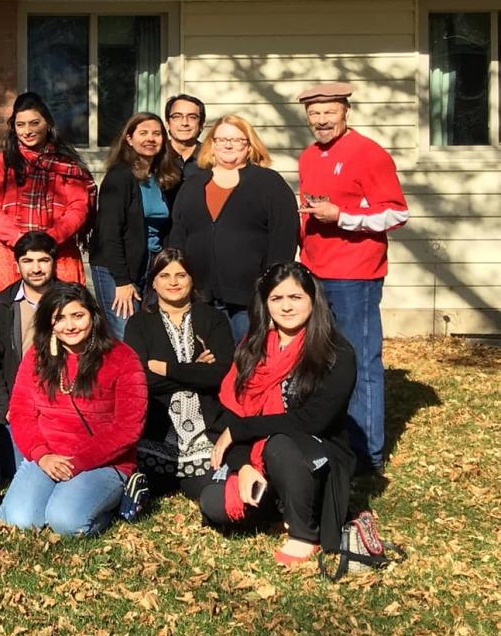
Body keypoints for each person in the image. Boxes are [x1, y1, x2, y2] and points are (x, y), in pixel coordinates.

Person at [199, 262, 357, 566]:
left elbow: (313, 420)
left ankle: (303, 532)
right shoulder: (252, 346)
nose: (286, 307)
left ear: (313, 299)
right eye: (276, 298)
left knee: (280, 441)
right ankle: (278, 503)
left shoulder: (336, 352)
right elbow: (235, 413)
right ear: (265, 303)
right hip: (259, 457)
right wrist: (244, 465)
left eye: (295, 298)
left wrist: (244, 430)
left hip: (316, 457)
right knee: (212, 503)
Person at [295, 82, 408, 473]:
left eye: (329, 111)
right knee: (323, 362)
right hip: (314, 271)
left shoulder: (368, 153)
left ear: (345, 110)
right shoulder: (309, 156)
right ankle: (334, 440)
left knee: (359, 360)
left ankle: (366, 455)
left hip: (355, 275)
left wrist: (342, 217)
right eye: (314, 113)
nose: (321, 119)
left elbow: (396, 213)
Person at [1, 283, 147, 538]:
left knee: (65, 523)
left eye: (77, 316)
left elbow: (128, 427)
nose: (69, 326)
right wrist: (42, 455)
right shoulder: (37, 356)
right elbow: (21, 412)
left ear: (93, 315)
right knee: (19, 520)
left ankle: (116, 500)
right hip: (48, 456)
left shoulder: (123, 358)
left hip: (102, 461)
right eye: (59, 318)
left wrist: (79, 462)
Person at [167, 114, 299, 342]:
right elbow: (178, 234)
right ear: (212, 144)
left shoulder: (269, 183)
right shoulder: (193, 185)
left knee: (249, 357)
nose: (228, 144)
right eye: (221, 139)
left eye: (237, 140)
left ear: (249, 146)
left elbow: (283, 238)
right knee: (212, 360)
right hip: (201, 294)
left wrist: (272, 286)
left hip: (250, 296)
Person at [123, 249, 235, 500]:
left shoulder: (213, 319)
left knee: (209, 491)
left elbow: (221, 374)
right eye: (165, 275)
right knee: (147, 488)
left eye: (181, 275)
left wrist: (168, 368)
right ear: (153, 281)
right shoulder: (139, 324)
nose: (173, 282)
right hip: (158, 434)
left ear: (192, 279)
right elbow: (140, 380)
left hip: (204, 435)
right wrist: (196, 368)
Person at [0, 92, 94, 295]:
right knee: (13, 318)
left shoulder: (67, 165)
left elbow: (78, 208)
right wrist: (20, 240)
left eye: (34, 123)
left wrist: (48, 240)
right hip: (10, 253)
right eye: (20, 124)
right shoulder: (2, 162)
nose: (27, 131)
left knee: (64, 316)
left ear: (47, 124)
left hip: (58, 252)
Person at [91, 112, 183, 340]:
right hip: (117, 269)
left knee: (148, 336)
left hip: (149, 267)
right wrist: (122, 281)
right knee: (126, 336)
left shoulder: (163, 177)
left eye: (157, 133)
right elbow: (109, 232)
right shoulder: (120, 177)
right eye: (143, 133)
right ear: (129, 139)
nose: (150, 138)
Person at [0, 231, 59, 478]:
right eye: (28, 261)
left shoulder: (73, 300)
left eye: (43, 260)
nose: (36, 268)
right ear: (17, 265)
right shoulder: (1, 306)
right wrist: (7, 408)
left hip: (63, 404)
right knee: (22, 473)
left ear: (53, 262)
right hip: (20, 406)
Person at [164, 94, 206, 167]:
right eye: (177, 116)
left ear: (201, 124)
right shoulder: (155, 157)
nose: (184, 123)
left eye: (192, 117)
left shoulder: (212, 157)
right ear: (167, 123)